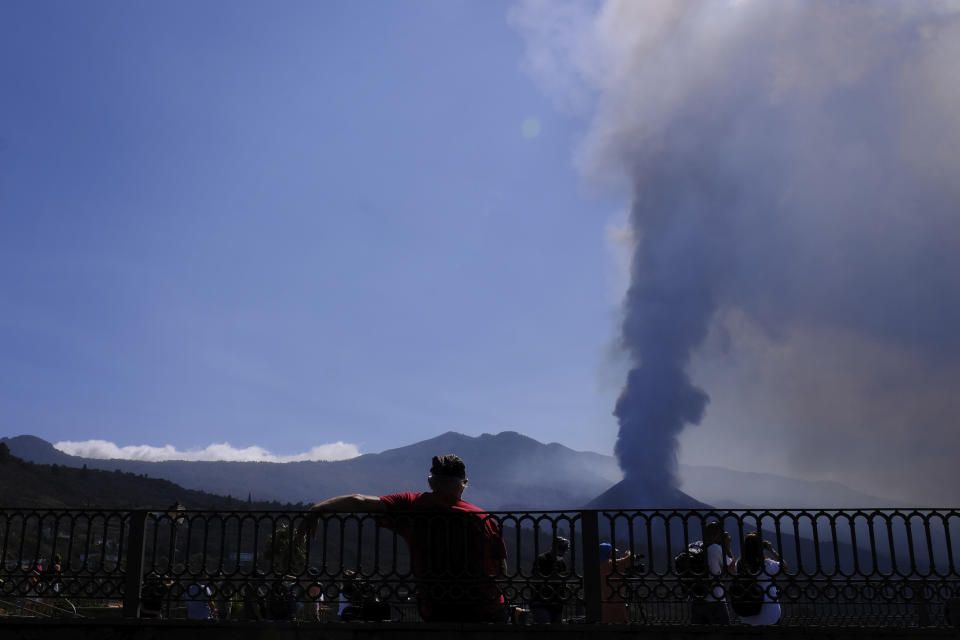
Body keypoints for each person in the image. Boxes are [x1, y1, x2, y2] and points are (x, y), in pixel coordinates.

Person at [301, 454, 508, 623]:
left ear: (431, 481)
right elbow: (501, 571)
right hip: (485, 609)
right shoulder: (484, 518)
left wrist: (318, 509)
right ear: (464, 484)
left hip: (439, 610)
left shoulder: (413, 505)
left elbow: (359, 501)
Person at [690, 520, 736, 625]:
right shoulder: (715, 548)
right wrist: (727, 546)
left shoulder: (696, 546)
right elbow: (732, 568)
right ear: (716, 535)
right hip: (715, 597)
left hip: (697, 596)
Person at [734, 533, 785, 626]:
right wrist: (771, 550)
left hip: (746, 615)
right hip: (770, 617)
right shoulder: (767, 565)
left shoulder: (739, 564)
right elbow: (784, 566)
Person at [529, 536, 569, 624]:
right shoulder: (542, 559)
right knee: (546, 629)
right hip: (541, 602)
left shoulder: (561, 562)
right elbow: (535, 579)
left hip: (556, 603)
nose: (563, 552)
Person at [598, 543, 633, 623]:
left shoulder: (597, 565)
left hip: (602, 604)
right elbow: (629, 560)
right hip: (616, 600)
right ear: (608, 554)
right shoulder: (612, 564)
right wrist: (629, 553)